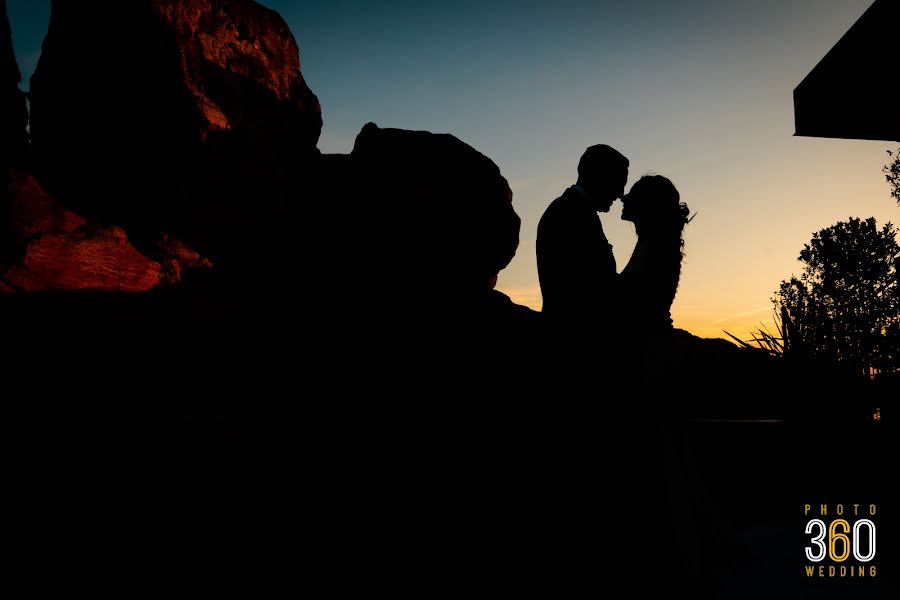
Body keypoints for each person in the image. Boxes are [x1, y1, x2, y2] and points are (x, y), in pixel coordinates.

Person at [536, 144, 629, 325]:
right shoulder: (570, 213)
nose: (620, 194)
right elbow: (588, 285)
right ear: (597, 175)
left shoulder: (574, 209)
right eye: (618, 183)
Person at [619, 174, 692, 334]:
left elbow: (628, 295)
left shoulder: (656, 244)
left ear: (647, 204)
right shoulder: (654, 241)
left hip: (645, 339)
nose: (623, 199)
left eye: (633, 195)